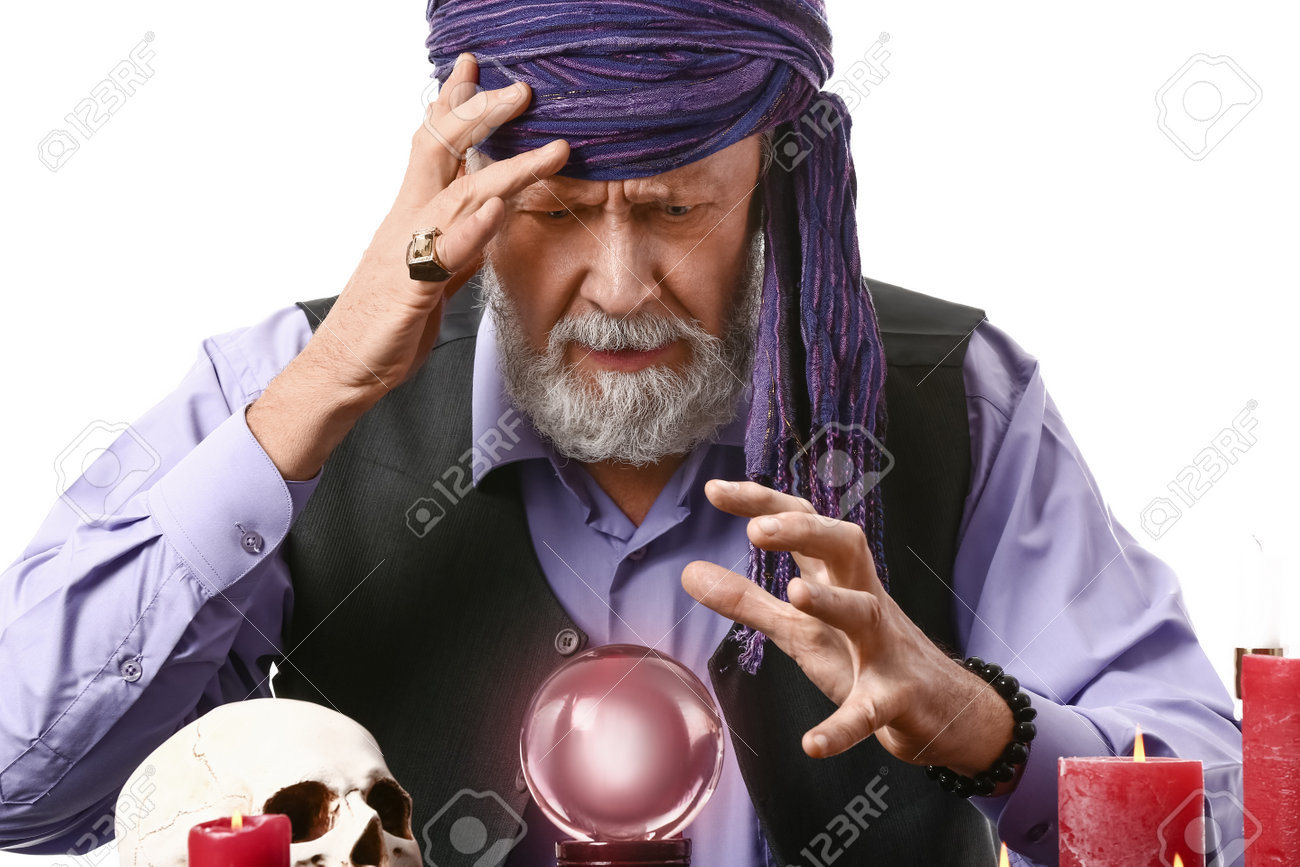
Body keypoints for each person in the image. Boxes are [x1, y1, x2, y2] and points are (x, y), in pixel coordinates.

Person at [0, 2, 1242, 865]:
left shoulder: (953, 398)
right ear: (461, 178)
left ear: (779, 182)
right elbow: (22, 796)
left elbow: (1230, 820)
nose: (617, 284)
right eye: (551, 204)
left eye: (673, 207)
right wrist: (308, 405)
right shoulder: (280, 387)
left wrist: (982, 729)